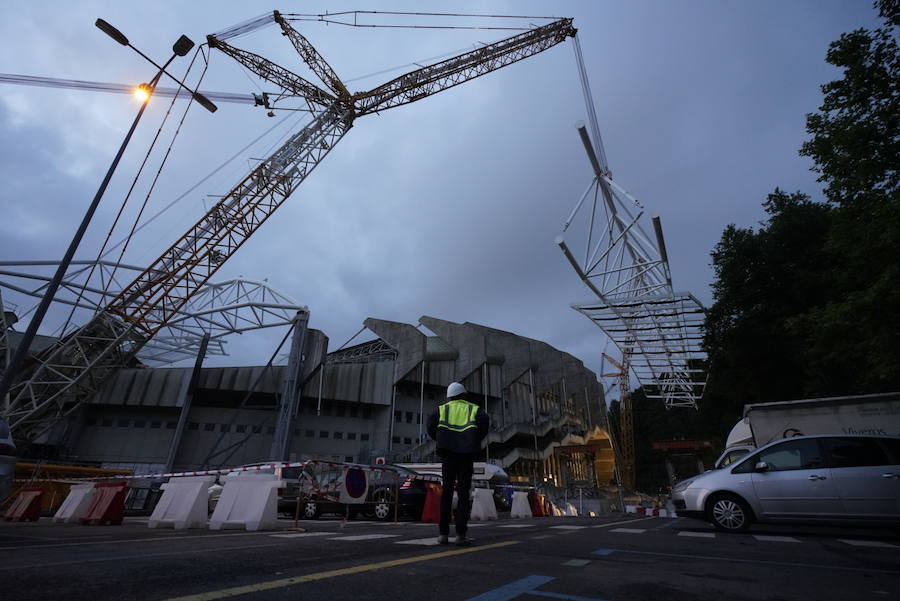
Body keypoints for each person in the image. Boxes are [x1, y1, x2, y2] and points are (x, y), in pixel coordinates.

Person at [426, 381, 489, 546]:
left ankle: (443, 534)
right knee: (463, 494)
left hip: (447, 454)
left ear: (449, 396)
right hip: (466, 455)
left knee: (446, 493)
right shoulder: (474, 409)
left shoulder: (441, 409)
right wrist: (473, 439)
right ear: (463, 394)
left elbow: (431, 425)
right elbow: (484, 424)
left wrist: (441, 439)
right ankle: (461, 534)